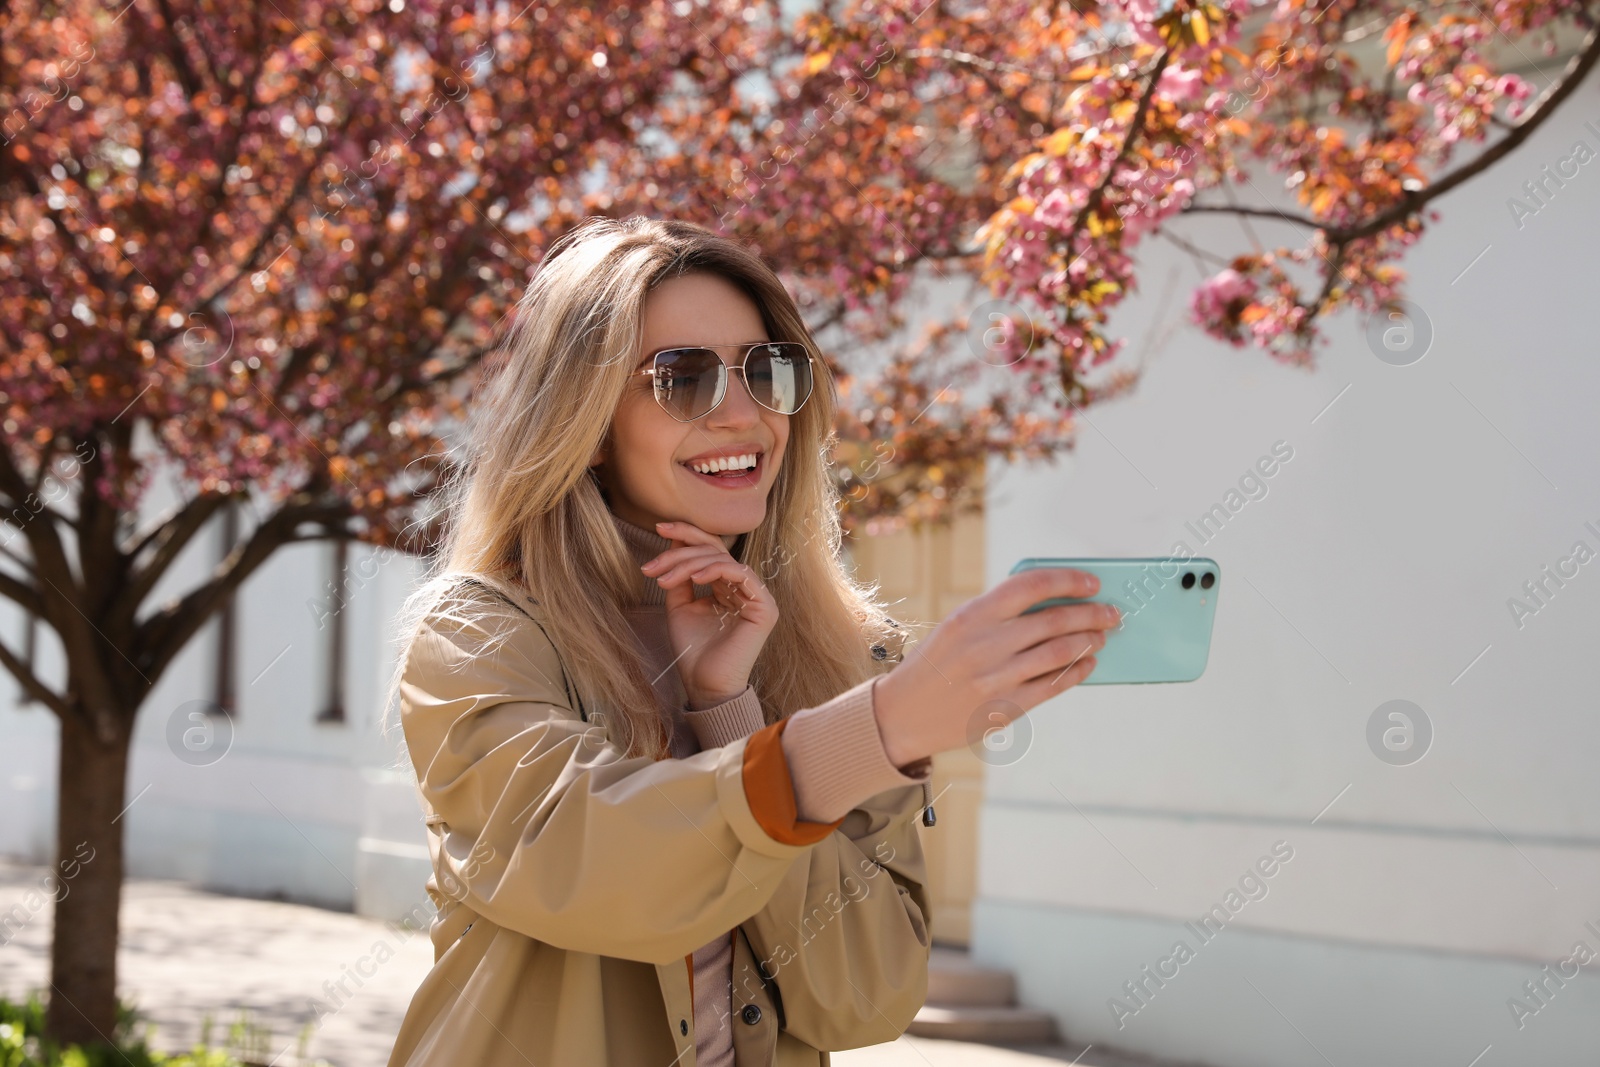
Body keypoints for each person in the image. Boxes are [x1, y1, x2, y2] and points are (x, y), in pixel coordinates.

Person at [382, 215, 1117, 1067]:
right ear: (583, 423)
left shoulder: (841, 648)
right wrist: (876, 732)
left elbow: (864, 998)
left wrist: (729, 709)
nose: (744, 413)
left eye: (768, 372)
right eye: (681, 377)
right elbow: (583, 858)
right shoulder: (480, 633)